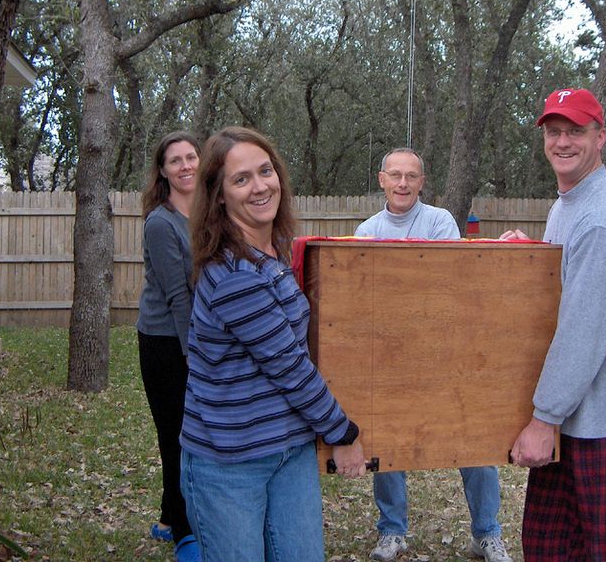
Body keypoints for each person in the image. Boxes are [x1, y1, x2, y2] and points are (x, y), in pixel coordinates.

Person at [180, 126, 367, 562]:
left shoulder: (273, 254)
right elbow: (290, 368)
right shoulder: (233, 275)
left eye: (266, 171)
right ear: (219, 196)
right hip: (231, 462)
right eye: (241, 179)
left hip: (290, 450)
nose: (260, 186)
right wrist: (343, 432)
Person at [502, 88, 606, 561]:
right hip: (575, 418)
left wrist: (543, 420)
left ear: (601, 138)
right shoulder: (569, 205)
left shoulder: (604, 220)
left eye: (575, 131)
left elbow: (583, 334)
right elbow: (572, 288)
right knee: (550, 547)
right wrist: (534, 258)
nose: (562, 142)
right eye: (554, 132)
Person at [356, 148, 513, 562]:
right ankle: (392, 531)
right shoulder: (367, 231)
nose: (403, 183)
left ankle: (486, 533)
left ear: (422, 182)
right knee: (386, 440)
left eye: (411, 176)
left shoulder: (441, 221)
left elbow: (448, 285)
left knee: (475, 439)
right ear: (382, 180)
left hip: (446, 354)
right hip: (391, 357)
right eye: (395, 175)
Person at [138, 131, 203, 562]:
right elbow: (178, 295)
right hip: (165, 342)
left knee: (189, 431)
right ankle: (184, 533)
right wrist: (192, 353)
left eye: (191, 157)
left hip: (194, 335)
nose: (185, 166)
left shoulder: (209, 213)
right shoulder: (161, 223)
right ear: (162, 170)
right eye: (175, 160)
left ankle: (166, 517)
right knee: (176, 435)